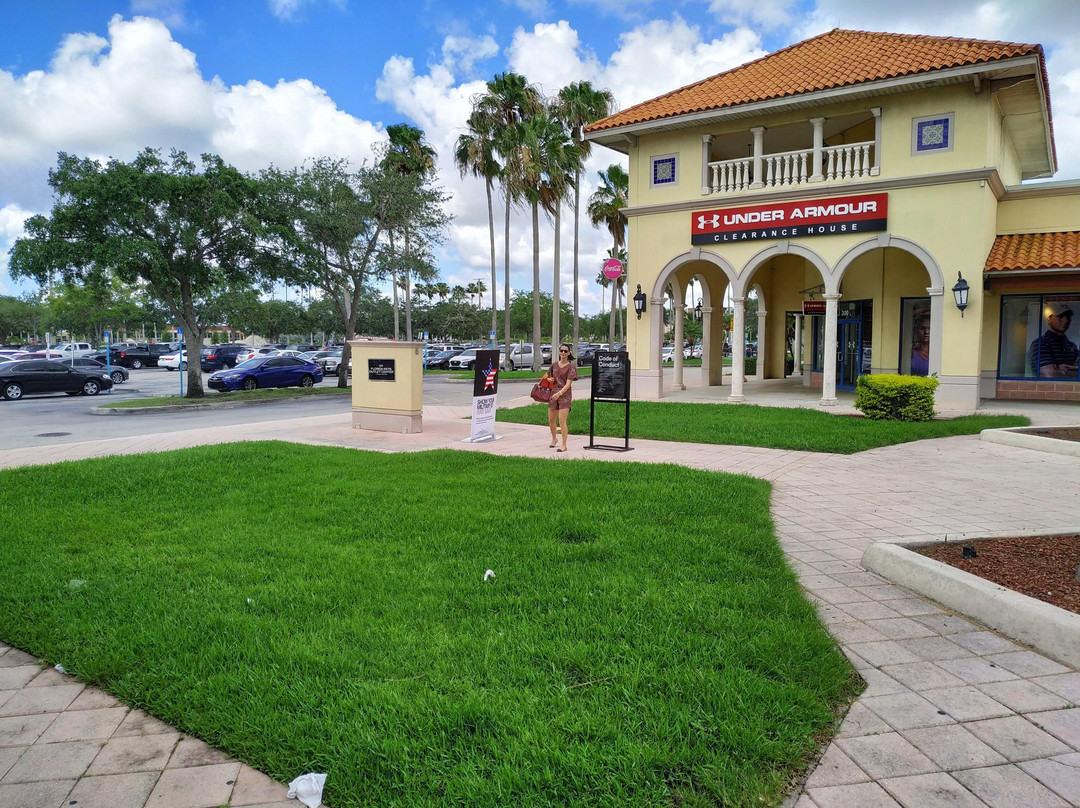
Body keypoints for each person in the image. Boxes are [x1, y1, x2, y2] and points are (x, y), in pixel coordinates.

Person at [1027, 302, 1079, 378]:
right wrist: (1074, 371)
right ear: (1049, 319)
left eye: (1068, 317)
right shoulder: (1040, 344)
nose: (1065, 321)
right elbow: (1050, 374)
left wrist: (1065, 369)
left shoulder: (1072, 346)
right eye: (1060, 316)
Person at [547, 343, 579, 452]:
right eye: (561, 351)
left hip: (564, 396)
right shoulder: (554, 365)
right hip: (553, 394)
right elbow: (548, 377)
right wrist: (549, 380)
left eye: (566, 351)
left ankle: (564, 444)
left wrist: (559, 393)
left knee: (562, 420)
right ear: (559, 352)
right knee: (551, 420)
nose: (563, 353)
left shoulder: (571, 367)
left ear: (569, 353)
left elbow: (568, 384)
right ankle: (554, 439)